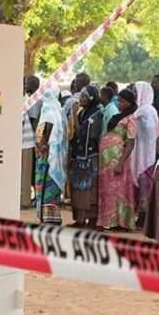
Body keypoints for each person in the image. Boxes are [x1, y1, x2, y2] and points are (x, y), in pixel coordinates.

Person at [98, 89, 138, 230]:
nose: (119, 103)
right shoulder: (119, 116)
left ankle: (119, 222)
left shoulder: (131, 118)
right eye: (118, 100)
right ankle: (108, 221)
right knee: (107, 190)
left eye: (122, 101)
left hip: (119, 159)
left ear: (129, 103)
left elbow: (131, 142)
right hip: (107, 161)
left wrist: (121, 162)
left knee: (118, 191)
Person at [68, 85, 103, 228]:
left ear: (91, 98)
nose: (80, 99)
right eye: (80, 96)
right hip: (80, 156)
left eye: (84, 96)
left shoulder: (96, 114)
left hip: (90, 157)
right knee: (79, 189)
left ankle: (92, 220)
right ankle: (80, 220)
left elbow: (85, 133)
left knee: (90, 190)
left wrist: (75, 117)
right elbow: (76, 134)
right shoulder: (84, 113)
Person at [35, 86, 67, 225]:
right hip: (54, 154)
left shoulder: (47, 108)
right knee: (52, 183)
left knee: (46, 182)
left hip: (46, 153)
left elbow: (48, 126)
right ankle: (53, 216)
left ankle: (48, 216)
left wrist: (42, 144)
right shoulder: (58, 109)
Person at [132, 81, 159, 222]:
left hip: (143, 151)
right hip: (148, 150)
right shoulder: (151, 110)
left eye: (135, 91)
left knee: (143, 180)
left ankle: (143, 217)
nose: (134, 93)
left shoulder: (143, 111)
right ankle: (143, 216)